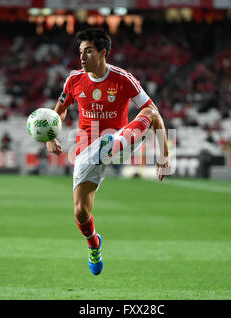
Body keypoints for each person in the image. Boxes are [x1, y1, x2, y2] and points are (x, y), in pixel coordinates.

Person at [46, 28, 170, 275]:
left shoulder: (123, 78)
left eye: (88, 51)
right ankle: (94, 244)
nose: (82, 57)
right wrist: (50, 137)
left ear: (103, 53)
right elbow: (58, 111)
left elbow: (155, 114)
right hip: (86, 149)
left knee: (147, 113)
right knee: (81, 212)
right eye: (80, 52)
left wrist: (164, 157)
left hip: (120, 142)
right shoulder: (73, 80)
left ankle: (111, 141)